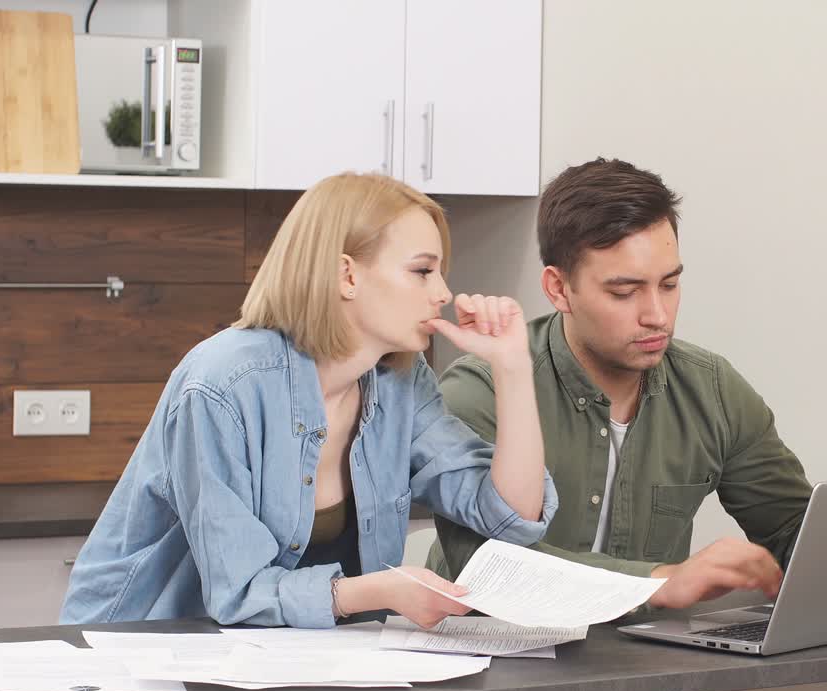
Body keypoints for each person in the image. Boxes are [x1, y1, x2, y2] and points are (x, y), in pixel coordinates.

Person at [427, 158, 827, 609]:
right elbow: (488, 564)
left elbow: (796, 538)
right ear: (558, 288)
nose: (657, 314)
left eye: (670, 284)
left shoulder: (712, 390)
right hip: (484, 667)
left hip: (644, 673)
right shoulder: (485, 389)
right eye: (625, 291)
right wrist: (659, 583)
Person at [61, 172, 556, 629]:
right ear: (347, 276)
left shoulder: (400, 382)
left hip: (288, 658)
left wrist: (512, 368)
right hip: (138, 655)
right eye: (423, 271)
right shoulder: (222, 385)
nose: (444, 292)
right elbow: (240, 595)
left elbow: (509, 517)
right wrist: (378, 590)